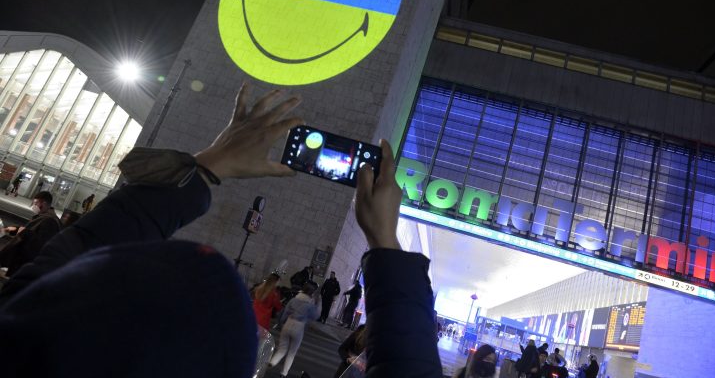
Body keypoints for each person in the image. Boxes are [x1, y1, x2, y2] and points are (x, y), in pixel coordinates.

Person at [0, 85, 444, 377]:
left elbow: (73, 253)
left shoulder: (20, 335)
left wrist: (206, 167)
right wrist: (384, 241)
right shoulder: (22, 326)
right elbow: (80, 249)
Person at [0, 191, 61, 276]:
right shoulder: (43, 217)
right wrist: (14, 229)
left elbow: (40, 243)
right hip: (23, 262)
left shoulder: (50, 221)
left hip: (26, 263)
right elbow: (32, 230)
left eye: (36, 203)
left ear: (43, 203)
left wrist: (23, 232)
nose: (33, 206)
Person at [269, 281, 321, 377]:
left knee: (282, 348)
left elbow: (285, 312)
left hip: (288, 322)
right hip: (299, 327)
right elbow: (316, 316)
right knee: (292, 352)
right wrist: (318, 303)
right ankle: (283, 373)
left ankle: (272, 362)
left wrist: (281, 323)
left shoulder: (294, 300)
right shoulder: (309, 305)